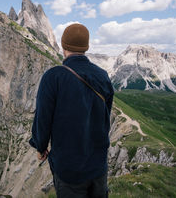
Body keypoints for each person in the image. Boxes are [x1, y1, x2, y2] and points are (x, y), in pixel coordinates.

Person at [29, 23, 114, 197]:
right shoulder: (103, 75)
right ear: (86, 47)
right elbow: (106, 116)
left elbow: (43, 118)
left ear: (63, 45)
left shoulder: (53, 77)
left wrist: (40, 146)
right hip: (98, 166)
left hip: (69, 169)